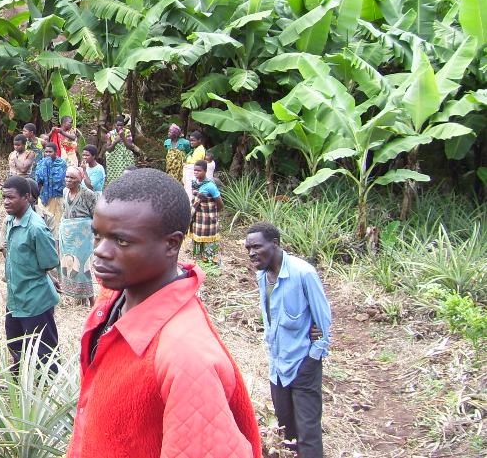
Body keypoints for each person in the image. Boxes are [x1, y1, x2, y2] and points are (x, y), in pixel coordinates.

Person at [67, 168, 260, 458]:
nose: (100, 251)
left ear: (171, 244)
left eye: (121, 241)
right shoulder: (114, 296)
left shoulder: (186, 357)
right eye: (98, 236)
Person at [245, 222, 332, 458]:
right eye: (248, 249)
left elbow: (323, 322)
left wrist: (313, 358)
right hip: (278, 368)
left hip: (303, 364)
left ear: (275, 244)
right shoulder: (262, 276)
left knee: (308, 433)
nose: (252, 253)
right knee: (287, 430)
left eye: (256, 247)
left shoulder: (303, 273)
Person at [1, 176, 60, 374]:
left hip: (36, 300)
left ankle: (49, 388)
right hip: (15, 298)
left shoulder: (36, 228)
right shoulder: (10, 220)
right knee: (15, 343)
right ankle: (19, 382)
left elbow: (50, 262)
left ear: (27, 197)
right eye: (3, 197)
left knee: (44, 351)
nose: (6, 202)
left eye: (11, 197)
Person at [59, 167, 97, 305]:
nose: (68, 180)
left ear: (80, 179)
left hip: (83, 236)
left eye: (72, 178)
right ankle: (79, 298)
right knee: (69, 265)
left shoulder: (88, 194)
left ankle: (91, 299)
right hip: (68, 235)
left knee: (83, 266)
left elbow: (96, 215)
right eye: (67, 177)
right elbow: (65, 212)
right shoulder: (64, 192)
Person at [189, 159, 224, 265]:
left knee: (209, 240)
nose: (196, 172)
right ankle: (198, 259)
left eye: (198, 171)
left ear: (205, 171)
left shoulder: (210, 186)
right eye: (194, 170)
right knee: (197, 239)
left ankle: (210, 261)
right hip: (198, 217)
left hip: (208, 218)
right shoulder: (195, 183)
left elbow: (220, 204)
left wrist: (212, 214)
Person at [34, 142, 67, 226]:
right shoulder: (41, 163)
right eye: (46, 152)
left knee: (55, 219)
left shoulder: (61, 163)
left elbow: (61, 179)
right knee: (42, 218)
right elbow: (38, 179)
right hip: (43, 194)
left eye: (50, 152)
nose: (48, 154)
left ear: (56, 152)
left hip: (56, 195)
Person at [104, 116, 139, 184]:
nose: (120, 127)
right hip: (114, 159)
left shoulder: (127, 132)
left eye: (121, 125)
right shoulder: (110, 134)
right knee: (115, 178)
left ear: (123, 125)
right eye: (118, 125)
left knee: (127, 176)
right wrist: (115, 142)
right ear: (114, 124)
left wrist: (123, 137)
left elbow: (129, 147)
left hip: (125, 158)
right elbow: (108, 149)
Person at [182, 130, 207, 199]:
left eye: (193, 140)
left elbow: (195, 163)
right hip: (190, 175)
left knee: (190, 193)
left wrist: (186, 163)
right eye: (190, 140)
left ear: (199, 140)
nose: (191, 142)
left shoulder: (199, 150)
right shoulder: (196, 149)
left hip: (192, 176)